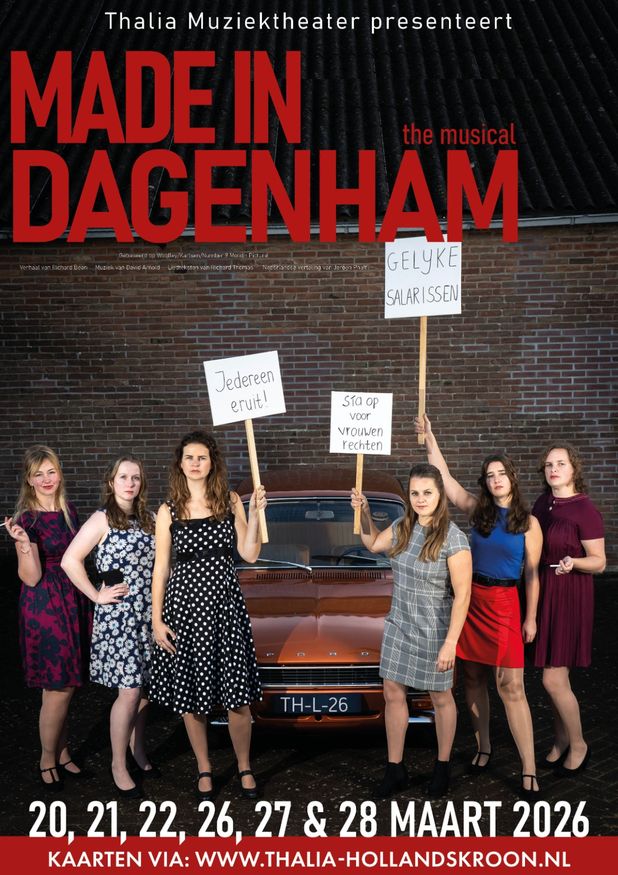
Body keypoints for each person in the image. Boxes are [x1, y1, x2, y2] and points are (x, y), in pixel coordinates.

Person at [415, 414, 543, 797]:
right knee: (472, 679)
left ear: (512, 478)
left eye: (501, 473)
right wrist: (430, 438)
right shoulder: (478, 511)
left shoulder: (529, 523)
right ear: (485, 482)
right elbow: (445, 480)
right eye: (490, 475)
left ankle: (529, 767)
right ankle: (483, 747)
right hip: (471, 601)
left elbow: (532, 575)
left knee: (512, 687)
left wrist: (531, 618)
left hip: (505, 604)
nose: (496, 479)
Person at [148, 430, 266, 800]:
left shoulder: (229, 501)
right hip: (185, 610)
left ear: (212, 462)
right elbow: (161, 569)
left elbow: (249, 554)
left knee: (237, 696)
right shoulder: (168, 510)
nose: (196, 463)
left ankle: (244, 765)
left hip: (225, 608)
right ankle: (204, 767)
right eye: (190, 457)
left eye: (202, 457)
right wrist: (157, 619)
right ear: (180, 464)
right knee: (192, 695)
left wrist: (256, 514)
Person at [352, 462, 472, 798]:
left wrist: (451, 642)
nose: (420, 499)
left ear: (440, 495)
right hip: (399, 623)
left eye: (427, 493)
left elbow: (463, 595)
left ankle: (442, 766)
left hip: (434, 629)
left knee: (440, 697)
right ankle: (395, 768)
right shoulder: (403, 526)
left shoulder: (454, 539)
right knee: (392, 692)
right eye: (415, 493)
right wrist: (364, 513)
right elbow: (373, 543)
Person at [61, 455, 156, 798]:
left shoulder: (149, 519)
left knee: (144, 691)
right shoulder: (102, 518)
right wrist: (96, 596)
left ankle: (137, 751)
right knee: (128, 691)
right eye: (123, 477)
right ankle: (118, 764)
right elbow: (69, 560)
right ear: (111, 482)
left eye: (135, 477)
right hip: (120, 618)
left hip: (148, 615)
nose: (130, 483)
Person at [4, 445, 91, 789]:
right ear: (28, 479)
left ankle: (62, 751)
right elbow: (30, 578)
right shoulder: (26, 520)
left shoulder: (69, 510)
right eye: (38, 474)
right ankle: (46, 758)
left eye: (51, 471)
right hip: (44, 604)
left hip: (71, 599)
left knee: (68, 685)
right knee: (58, 685)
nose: (46, 479)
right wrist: (24, 544)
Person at [533, 444, 605, 776]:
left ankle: (578, 744)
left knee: (553, 678)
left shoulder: (585, 509)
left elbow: (599, 562)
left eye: (561, 463)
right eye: (549, 464)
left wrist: (574, 561)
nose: (554, 469)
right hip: (545, 591)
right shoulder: (542, 504)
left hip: (570, 593)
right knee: (553, 678)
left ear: (573, 469)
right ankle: (561, 739)